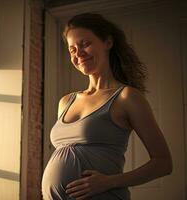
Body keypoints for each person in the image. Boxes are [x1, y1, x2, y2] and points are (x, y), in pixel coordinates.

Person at [41, 13, 172, 200]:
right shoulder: (65, 101)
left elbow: (164, 163)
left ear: (108, 42)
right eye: (72, 49)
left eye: (85, 44)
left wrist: (108, 182)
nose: (78, 53)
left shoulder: (127, 97)